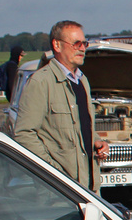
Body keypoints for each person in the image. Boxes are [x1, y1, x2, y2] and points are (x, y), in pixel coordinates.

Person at [14, 21, 108, 191]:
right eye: (76, 44)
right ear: (57, 45)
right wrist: (54, 172)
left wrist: (97, 142)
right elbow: (24, 134)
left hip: (89, 188)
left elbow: (80, 127)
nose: (82, 48)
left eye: (84, 43)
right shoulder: (41, 82)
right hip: (58, 193)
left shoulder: (82, 81)